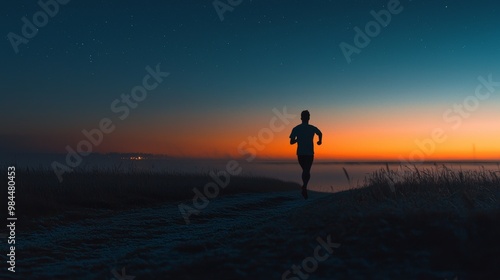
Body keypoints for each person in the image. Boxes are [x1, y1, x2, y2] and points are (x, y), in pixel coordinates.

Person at [289, 110, 322, 199]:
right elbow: (320, 133)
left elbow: (291, 142)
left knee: (305, 170)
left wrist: (297, 140)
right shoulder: (312, 128)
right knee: (306, 170)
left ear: (301, 118)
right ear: (309, 118)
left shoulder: (296, 128)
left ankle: (304, 187)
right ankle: (304, 187)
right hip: (309, 153)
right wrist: (319, 141)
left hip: (301, 153)